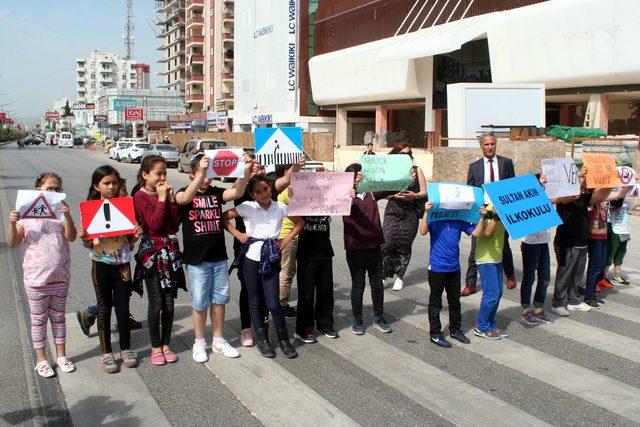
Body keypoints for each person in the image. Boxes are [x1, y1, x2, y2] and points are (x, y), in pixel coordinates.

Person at [175, 153, 251, 363]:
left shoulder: (216, 192)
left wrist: (244, 169)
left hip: (218, 256)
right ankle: (199, 342)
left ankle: (218, 339)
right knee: (200, 302)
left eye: (209, 174)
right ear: (192, 174)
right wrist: (201, 173)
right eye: (202, 173)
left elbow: (239, 191)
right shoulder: (184, 193)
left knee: (219, 300)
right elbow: (184, 199)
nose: (207, 178)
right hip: (196, 260)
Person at [223, 176, 304, 359]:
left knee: (273, 303)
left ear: (271, 189)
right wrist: (239, 235)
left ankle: (284, 340)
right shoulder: (247, 207)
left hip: (271, 257)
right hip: (251, 258)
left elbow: (299, 223)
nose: (263, 194)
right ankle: (263, 340)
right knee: (255, 300)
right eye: (258, 192)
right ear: (252, 194)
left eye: (266, 189)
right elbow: (225, 217)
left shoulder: (280, 207)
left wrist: (284, 241)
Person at [7, 173, 78, 378]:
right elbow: (13, 243)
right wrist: (13, 223)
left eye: (57, 188)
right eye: (49, 188)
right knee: (38, 321)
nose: (53, 192)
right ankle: (41, 360)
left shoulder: (60, 213)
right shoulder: (26, 213)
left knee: (58, 318)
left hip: (60, 276)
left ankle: (61, 356)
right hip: (36, 278)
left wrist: (69, 216)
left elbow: (71, 237)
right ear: (38, 190)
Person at [79, 166, 142, 373]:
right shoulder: (90, 209)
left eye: (114, 183)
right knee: (104, 308)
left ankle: (126, 349)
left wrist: (136, 234)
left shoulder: (125, 206)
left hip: (123, 265)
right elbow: (89, 244)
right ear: (97, 186)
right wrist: (84, 237)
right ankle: (106, 354)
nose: (111, 187)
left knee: (123, 310)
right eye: (106, 183)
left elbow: (130, 241)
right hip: (100, 265)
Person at [132, 155, 185, 366]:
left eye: (165, 173)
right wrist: (162, 199)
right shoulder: (140, 196)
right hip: (152, 254)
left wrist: (170, 199)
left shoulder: (164, 193)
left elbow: (173, 226)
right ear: (145, 175)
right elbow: (153, 225)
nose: (162, 177)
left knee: (170, 303)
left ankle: (166, 344)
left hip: (169, 252)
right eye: (158, 174)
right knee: (157, 303)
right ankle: (155, 347)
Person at [551, 169, 614, 316]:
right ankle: (558, 302)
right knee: (564, 274)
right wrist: (580, 179)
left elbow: (601, 195)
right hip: (567, 242)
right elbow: (572, 195)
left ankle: (573, 300)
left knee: (577, 274)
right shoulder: (565, 196)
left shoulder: (584, 197)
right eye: (580, 177)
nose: (584, 179)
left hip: (581, 241)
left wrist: (611, 182)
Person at [462, 133, 516, 296]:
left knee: (504, 245)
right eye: (486, 144)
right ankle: (470, 283)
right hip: (481, 211)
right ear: (481, 146)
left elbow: (512, 185)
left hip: (499, 210)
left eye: (493, 143)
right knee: (475, 247)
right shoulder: (474, 166)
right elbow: (470, 191)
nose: (490, 147)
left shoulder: (506, 163)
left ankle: (510, 275)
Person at [343, 163, 394, 335]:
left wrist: (406, 176)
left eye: (362, 175)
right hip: (355, 248)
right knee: (358, 285)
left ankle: (379, 317)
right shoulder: (342, 196)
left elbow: (390, 187)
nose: (361, 177)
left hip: (374, 246)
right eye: (357, 175)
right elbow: (341, 212)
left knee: (377, 285)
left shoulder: (372, 193)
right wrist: (346, 198)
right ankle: (357, 319)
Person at [419, 200, 472, 348]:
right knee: (435, 303)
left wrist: (481, 217)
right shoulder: (435, 218)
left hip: (454, 268)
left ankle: (455, 330)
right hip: (437, 268)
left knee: (455, 302)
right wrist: (426, 211)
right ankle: (435, 334)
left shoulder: (459, 220)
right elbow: (422, 231)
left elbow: (476, 232)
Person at [381, 142, 427, 291]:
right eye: (402, 154)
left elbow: (424, 192)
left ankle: (400, 277)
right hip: (393, 211)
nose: (406, 156)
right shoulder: (389, 171)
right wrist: (394, 194)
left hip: (410, 213)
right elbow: (381, 193)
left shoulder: (416, 170)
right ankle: (382, 274)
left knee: (404, 246)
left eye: (409, 153)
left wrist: (415, 194)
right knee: (386, 243)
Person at [294, 214, 338, 343]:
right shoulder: (301, 195)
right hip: (306, 253)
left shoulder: (328, 198)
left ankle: (324, 323)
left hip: (325, 251)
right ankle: (303, 328)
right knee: (306, 293)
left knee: (326, 291)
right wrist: (292, 193)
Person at [471, 204, 509, 340]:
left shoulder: (505, 206)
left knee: (498, 293)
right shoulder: (485, 211)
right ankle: (481, 326)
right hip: (486, 259)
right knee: (491, 294)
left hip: (497, 257)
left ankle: (490, 324)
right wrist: (495, 217)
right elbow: (486, 233)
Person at [276, 167, 298, 318]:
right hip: (287, 237)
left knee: (283, 271)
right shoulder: (287, 191)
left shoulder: (283, 190)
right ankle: (281, 305)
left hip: (283, 236)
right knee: (286, 272)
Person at [605, 197, 639, 284]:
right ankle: (602, 277)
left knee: (620, 255)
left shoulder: (627, 202)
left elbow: (637, 207)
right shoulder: (613, 201)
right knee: (610, 255)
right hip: (615, 231)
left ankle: (617, 276)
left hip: (625, 232)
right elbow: (615, 209)